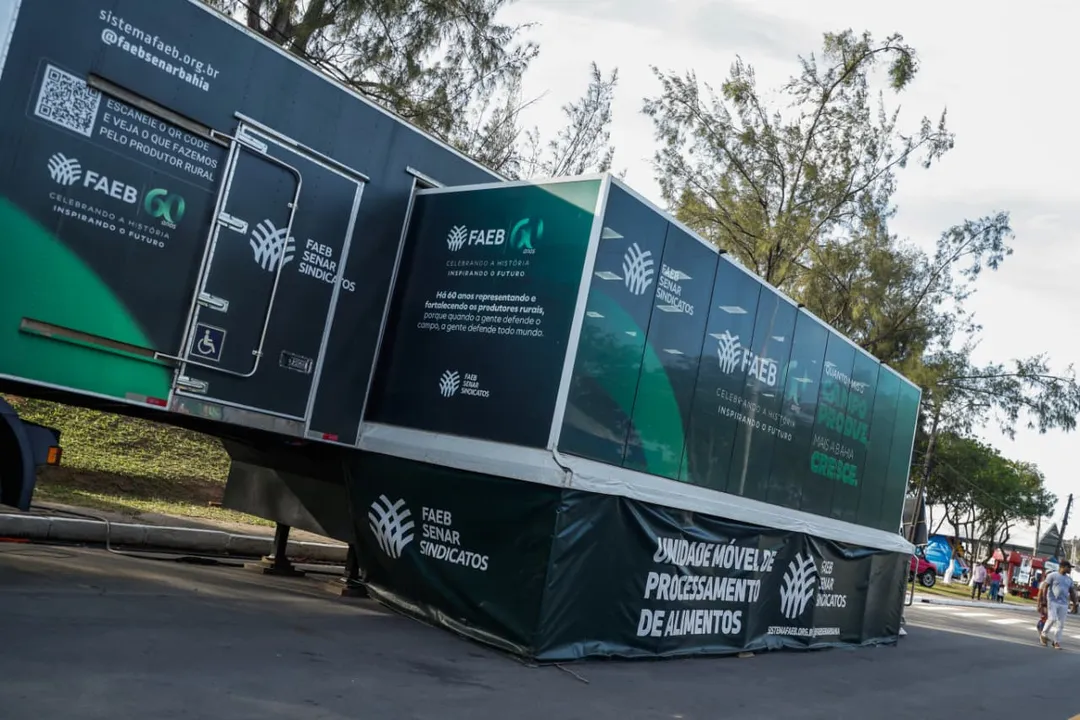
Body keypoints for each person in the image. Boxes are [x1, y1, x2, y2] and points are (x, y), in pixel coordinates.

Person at [1039, 560, 1076, 649]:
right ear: (1063, 567)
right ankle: (1043, 634)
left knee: (1061, 624)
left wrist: (1075, 604)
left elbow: (1072, 592)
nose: (1070, 569)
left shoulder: (1069, 579)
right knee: (1052, 619)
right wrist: (1043, 599)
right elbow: (1045, 587)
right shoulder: (1052, 575)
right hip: (1052, 601)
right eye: (1069, 567)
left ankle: (1056, 642)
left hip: (1064, 604)